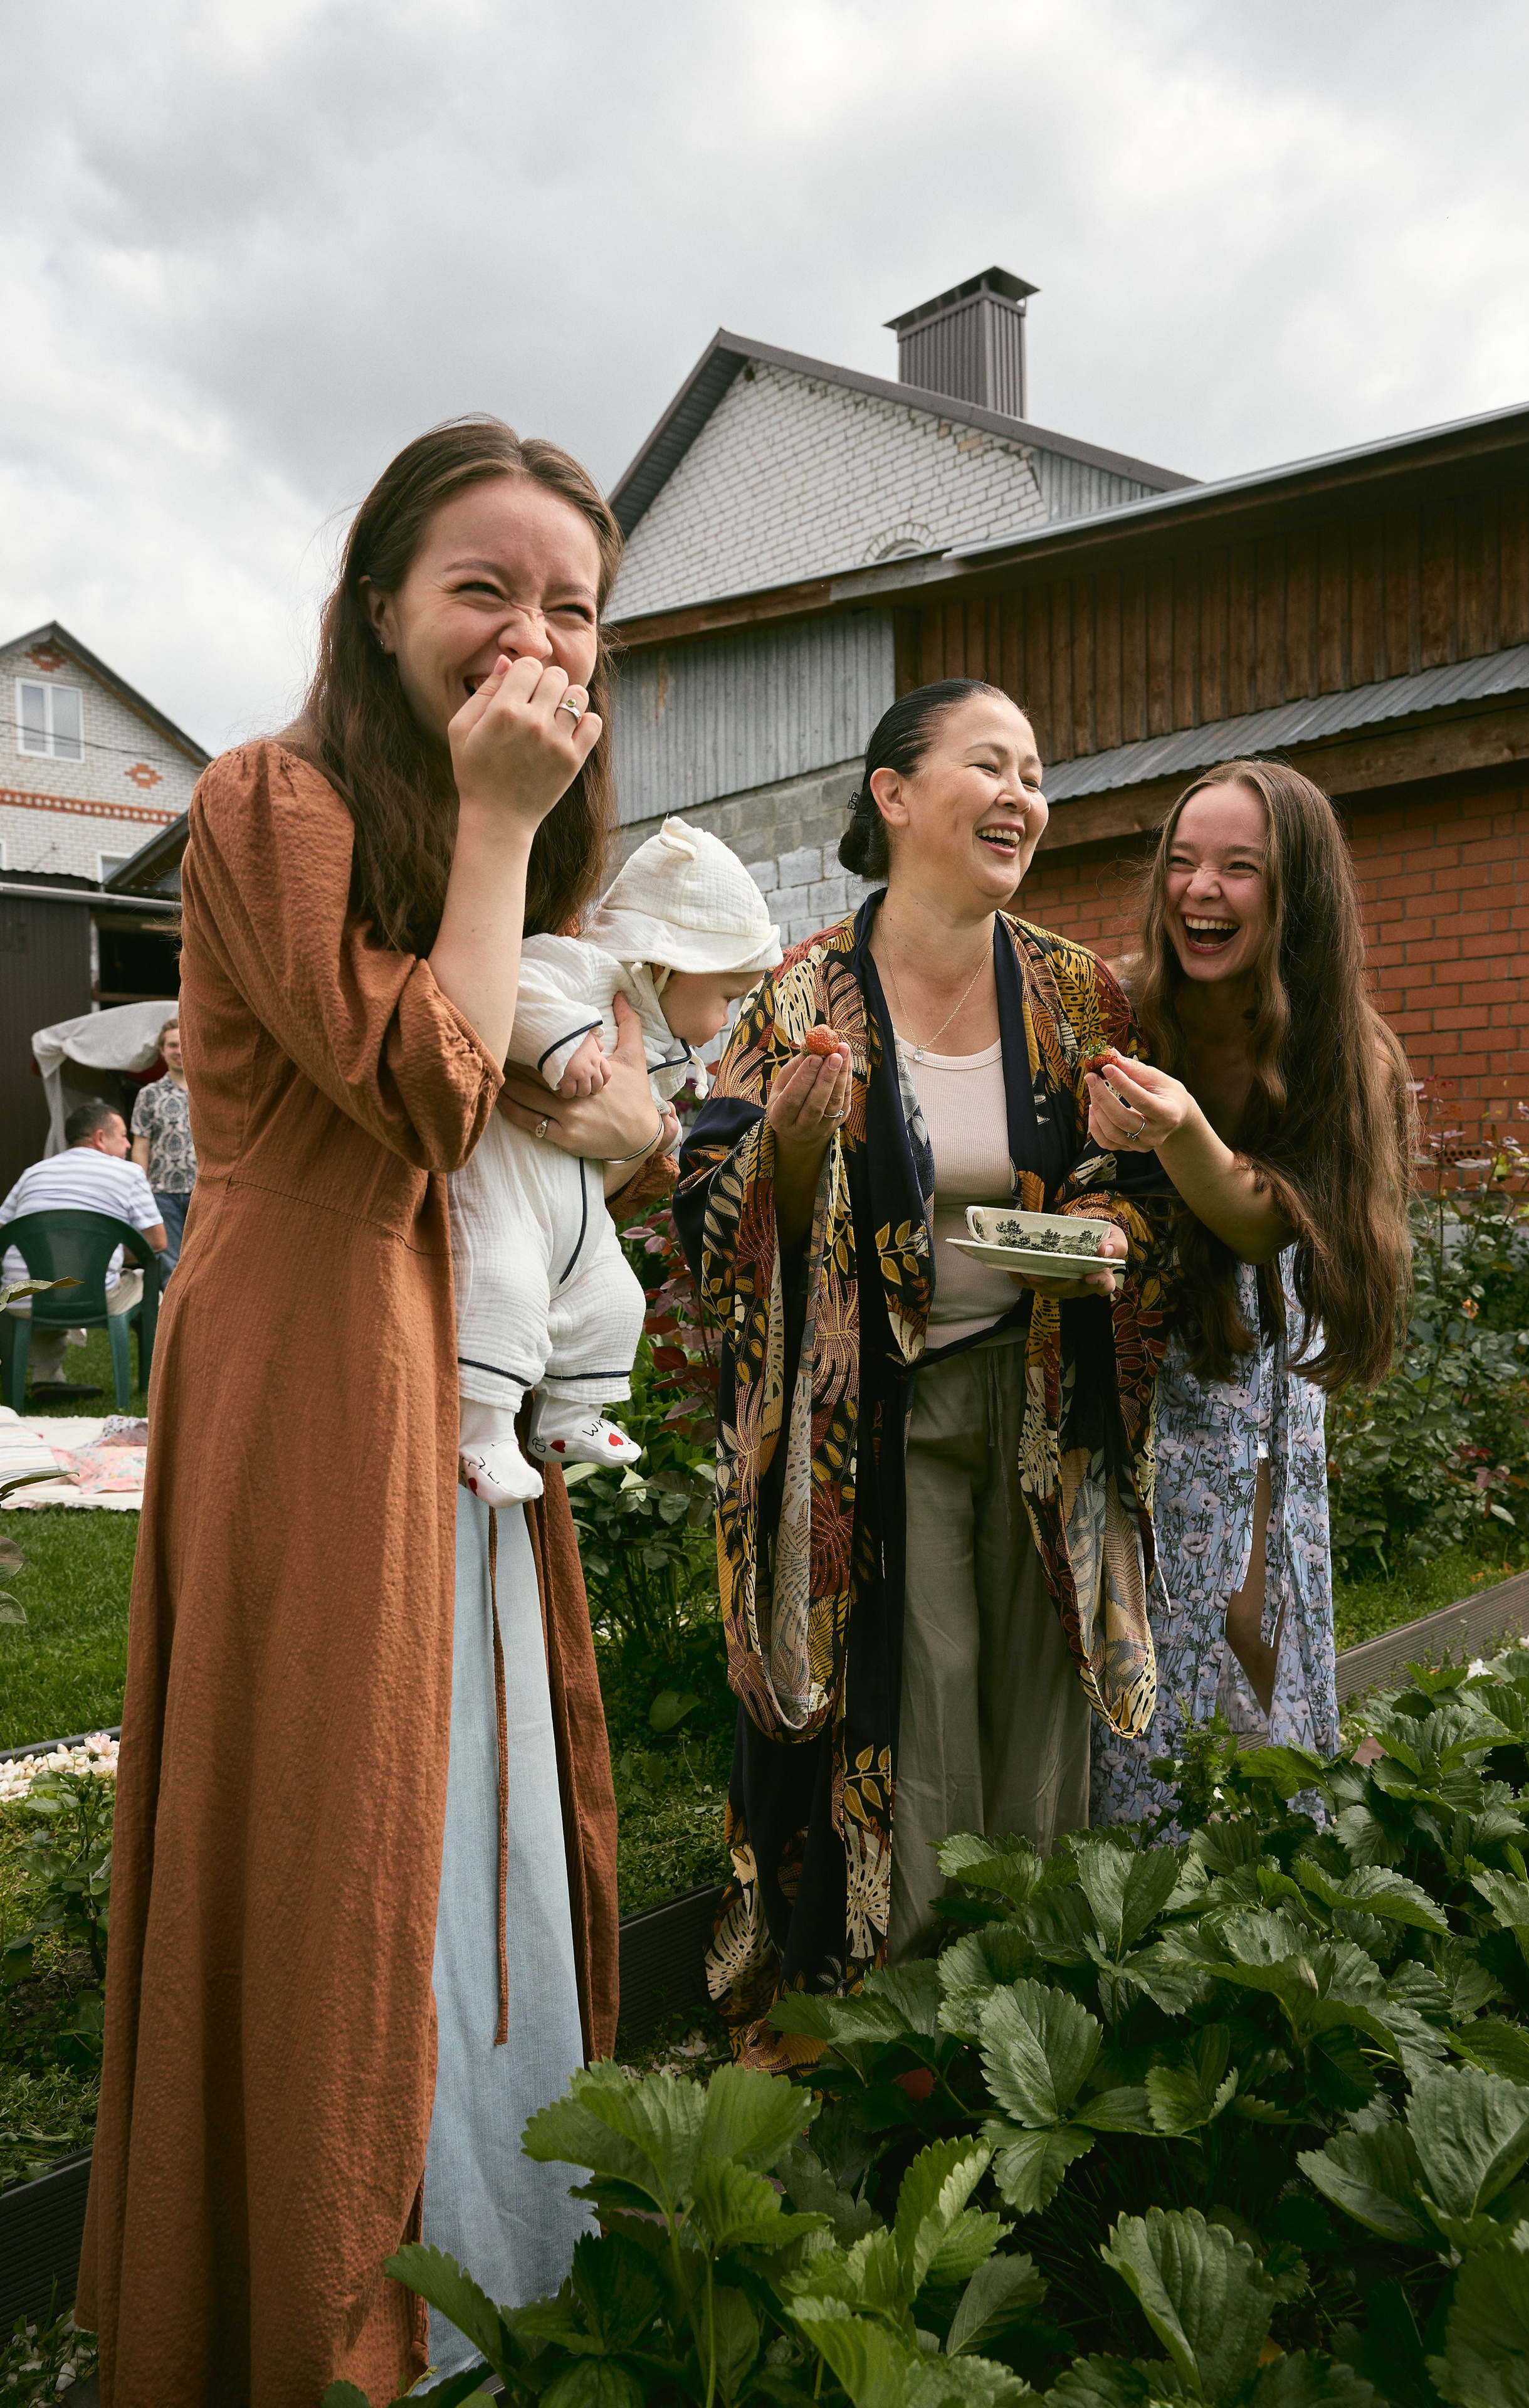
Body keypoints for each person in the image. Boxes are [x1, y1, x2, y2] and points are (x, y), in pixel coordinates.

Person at [78, 420, 668, 2407]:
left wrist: (596, 1072)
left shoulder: (497, 836)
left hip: (451, 1368)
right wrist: (501, 830)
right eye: (481, 588)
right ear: (379, 605)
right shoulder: (270, 795)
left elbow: (616, 1112)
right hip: (315, 1357)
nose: (529, 634)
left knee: (462, 1791)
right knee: (340, 1812)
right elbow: (423, 1091)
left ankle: (486, 2236)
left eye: (570, 604)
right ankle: (325, 2300)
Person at [673, 679, 1174, 2065]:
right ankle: (915, 2025)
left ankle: (1040, 2017)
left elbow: (1136, 1191)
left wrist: (1104, 1231)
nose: (1021, 794)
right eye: (987, 764)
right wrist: (784, 1135)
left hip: (1042, 1402)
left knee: (1040, 1701)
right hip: (867, 1429)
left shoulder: (1079, 991)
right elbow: (705, 1216)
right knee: (917, 1709)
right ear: (893, 794)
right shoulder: (796, 995)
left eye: (1033, 770)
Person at [1083, 758, 1412, 1824]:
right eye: (1180, 864)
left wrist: (1181, 1129)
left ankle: (1278, 1826)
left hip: (1250, 1370)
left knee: (1252, 1608)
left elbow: (1261, 1220)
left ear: (1297, 893)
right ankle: (1123, 1847)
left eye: (1238, 868)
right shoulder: (1122, 1006)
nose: (1197, 891)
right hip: (1120, 1352)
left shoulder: (1341, 1048)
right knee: (1129, 1612)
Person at [453, 815, 780, 1504]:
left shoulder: (661, 1036)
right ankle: (480, 1434)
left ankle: (568, 1417)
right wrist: (562, 1044)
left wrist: (652, 1131)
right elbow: (508, 985)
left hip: (577, 1210)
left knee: (614, 1297)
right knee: (503, 1289)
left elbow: (636, 1125)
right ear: (663, 962)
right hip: (511, 1195)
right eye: (724, 996)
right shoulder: (585, 970)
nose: (725, 1019)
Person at [1, 1101, 167, 1386]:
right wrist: (97, 1259)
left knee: (49, 1279)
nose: (128, 1145)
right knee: (155, 1292)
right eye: (123, 1135)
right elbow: (157, 1241)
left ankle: (48, 1378)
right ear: (101, 1138)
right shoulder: (128, 1173)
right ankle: (159, 1382)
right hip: (93, 1295)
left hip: (20, 1298)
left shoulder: (34, 1173)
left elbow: (4, 1231)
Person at [129, 1018, 195, 1285]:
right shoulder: (149, 1094)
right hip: (162, 1194)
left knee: (206, 1260)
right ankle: (174, 1325)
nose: (179, 1051)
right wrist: (142, 1188)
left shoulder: (209, 1091)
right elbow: (141, 1147)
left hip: (204, 1190)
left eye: (184, 1044)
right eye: (172, 1045)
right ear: (162, 1051)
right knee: (172, 1267)